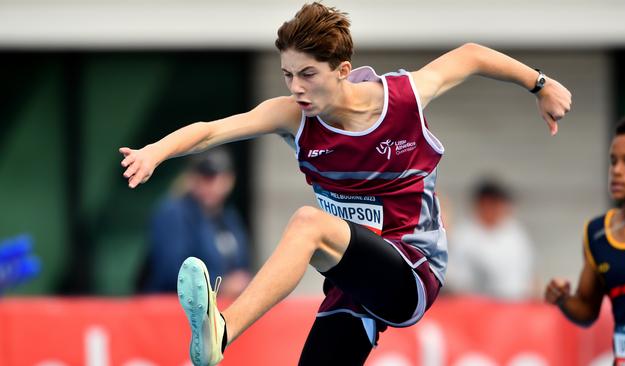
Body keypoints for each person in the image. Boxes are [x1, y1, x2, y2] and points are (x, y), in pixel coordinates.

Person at [119, 3, 571, 365]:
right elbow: (212, 130)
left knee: (307, 224)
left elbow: (471, 54)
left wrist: (540, 84)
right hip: (353, 285)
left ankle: (223, 330)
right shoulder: (293, 117)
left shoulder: (404, 97)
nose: (296, 88)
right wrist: (155, 151)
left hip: (413, 271)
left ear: (341, 69)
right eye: (287, 75)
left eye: (307, 74)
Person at [545, 115, 625, 365]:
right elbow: (587, 310)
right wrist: (561, 298)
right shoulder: (597, 233)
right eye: (613, 161)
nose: (617, 170)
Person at [137, 148, 251, 297]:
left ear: (229, 179)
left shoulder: (229, 217)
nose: (211, 184)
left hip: (215, 310)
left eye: (215, 176)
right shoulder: (173, 213)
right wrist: (221, 284)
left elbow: (241, 267)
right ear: (191, 178)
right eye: (204, 176)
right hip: (173, 309)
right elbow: (172, 272)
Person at [447, 178, 535, 300]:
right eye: (494, 203)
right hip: (477, 307)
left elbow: (529, 275)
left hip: (515, 307)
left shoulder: (516, 233)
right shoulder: (463, 236)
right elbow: (455, 280)